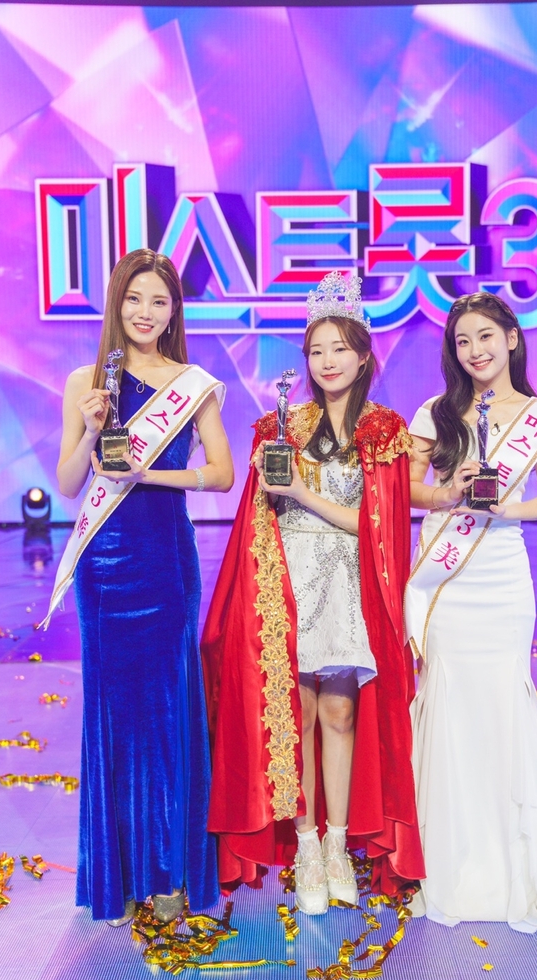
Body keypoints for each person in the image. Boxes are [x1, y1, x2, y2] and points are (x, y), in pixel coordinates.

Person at [202, 272, 424, 914]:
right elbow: (256, 519)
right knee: (294, 715)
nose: (328, 361)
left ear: (363, 356)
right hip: (287, 584)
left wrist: (302, 493)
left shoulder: (384, 430)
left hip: (349, 585)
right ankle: (303, 843)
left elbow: (381, 525)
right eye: (317, 350)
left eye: (340, 349)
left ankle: (336, 844)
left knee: (340, 713)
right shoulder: (282, 426)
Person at [405, 291, 537, 933]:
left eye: (486, 336)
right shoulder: (436, 412)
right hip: (448, 579)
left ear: (512, 338)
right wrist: (448, 492)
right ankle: (448, 854)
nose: (475, 350)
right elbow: (405, 488)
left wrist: (503, 510)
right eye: (463, 341)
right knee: (450, 700)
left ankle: (514, 857)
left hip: (501, 576)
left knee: (501, 703)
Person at [53, 249, 233, 925]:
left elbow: (221, 474)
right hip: (103, 567)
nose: (146, 312)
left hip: (165, 560)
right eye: (135, 299)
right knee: (113, 715)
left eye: (159, 301)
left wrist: (147, 475)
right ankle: (119, 873)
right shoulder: (85, 382)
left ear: (174, 310)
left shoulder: (192, 384)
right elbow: (69, 482)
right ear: (116, 303)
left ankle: (168, 869)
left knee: (166, 713)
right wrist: (92, 430)